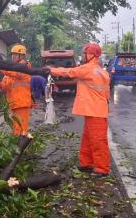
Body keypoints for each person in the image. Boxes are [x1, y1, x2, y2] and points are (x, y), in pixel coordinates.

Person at [47, 43, 111, 177]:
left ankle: (101, 168)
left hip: (95, 111)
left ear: (91, 55)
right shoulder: (101, 71)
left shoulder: (88, 69)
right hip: (96, 110)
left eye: (84, 53)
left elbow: (69, 72)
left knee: (98, 140)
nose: (82, 56)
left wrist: (51, 70)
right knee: (88, 139)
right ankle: (87, 163)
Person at [0, 44, 33, 136]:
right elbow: (5, 86)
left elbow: (16, 74)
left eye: (16, 54)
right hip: (14, 104)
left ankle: (22, 148)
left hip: (21, 103)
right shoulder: (11, 70)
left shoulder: (25, 66)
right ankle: (18, 148)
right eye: (12, 54)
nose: (13, 56)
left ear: (22, 56)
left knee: (21, 129)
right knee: (16, 129)